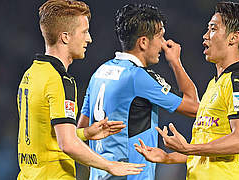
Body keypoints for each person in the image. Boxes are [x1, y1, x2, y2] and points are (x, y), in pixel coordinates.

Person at [16, 0, 145, 179]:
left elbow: (47, 136)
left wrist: (85, 133)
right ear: (65, 37)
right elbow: (67, 144)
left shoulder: (31, 74)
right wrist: (109, 165)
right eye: (84, 32)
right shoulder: (61, 80)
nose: (89, 39)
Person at [134, 1, 239, 180]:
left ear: (233, 38)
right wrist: (168, 157)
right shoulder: (214, 84)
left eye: (213, 29)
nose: (205, 36)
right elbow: (206, 147)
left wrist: (188, 147)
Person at [77, 3, 199, 180]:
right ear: (143, 42)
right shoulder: (137, 76)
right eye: (160, 37)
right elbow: (195, 107)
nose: (163, 44)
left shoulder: (100, 72)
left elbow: (82, 130)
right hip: (130, 175)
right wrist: (175, 62)